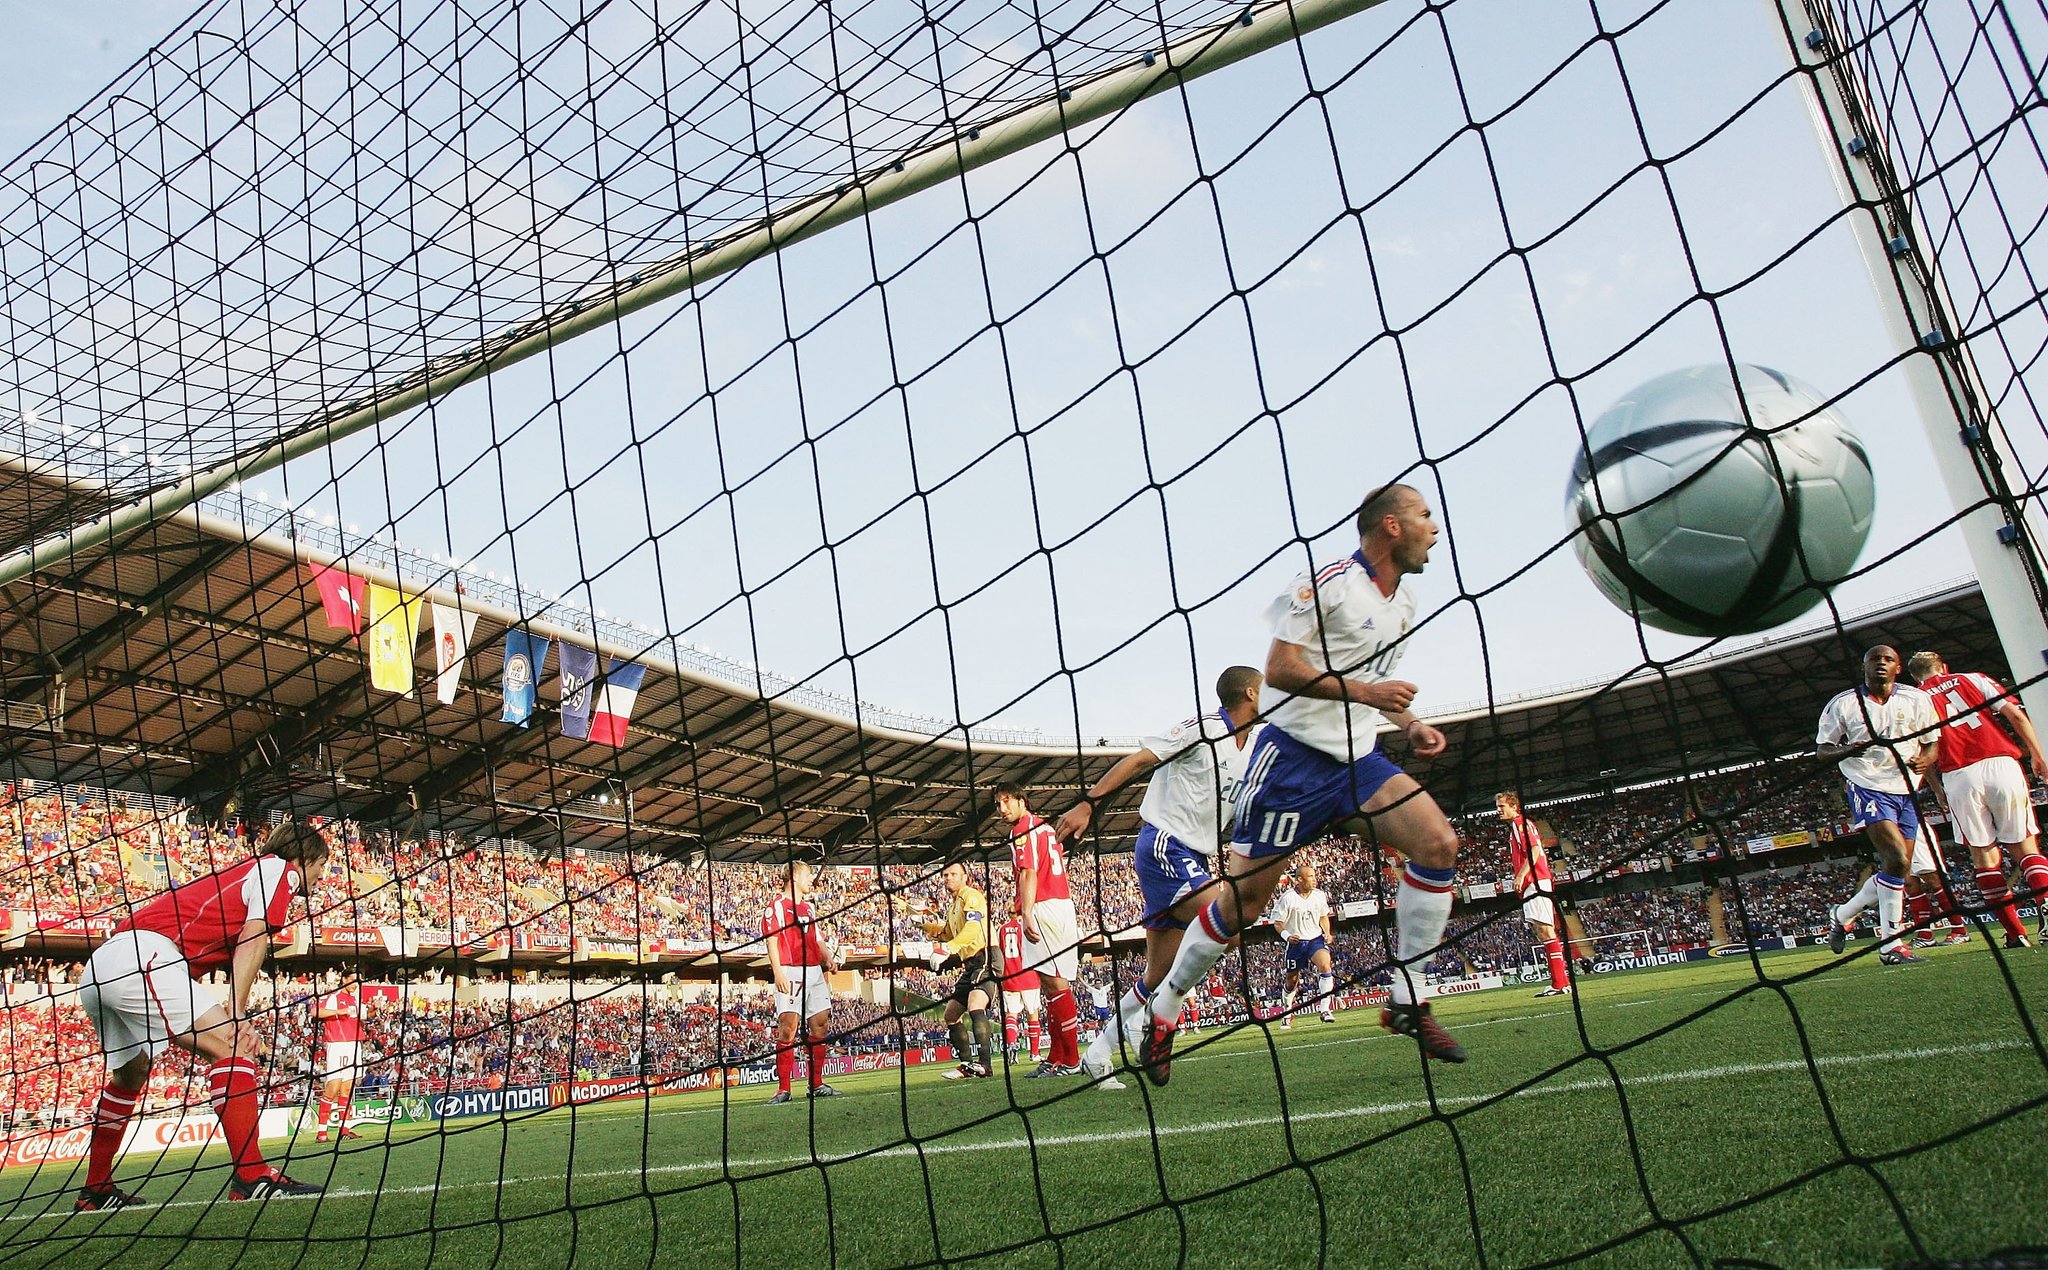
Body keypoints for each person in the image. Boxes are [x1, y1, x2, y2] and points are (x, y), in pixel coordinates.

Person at [1138, 483, 1468, 1084]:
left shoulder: (1406, 603)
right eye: (1424, 514)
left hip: (1358, 762)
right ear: (1391, 526)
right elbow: (1279, 669)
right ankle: (1164, 1009)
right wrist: (1370, 694)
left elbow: (1374, 688)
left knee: (1438, 845)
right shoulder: (1330, 582)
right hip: (1290, 765)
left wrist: (1411, 722)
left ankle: (1408, 1000)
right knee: (1243, 906)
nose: (1434, 527)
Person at [73, 820, 332, 1209]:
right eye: (321, 865)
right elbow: (254, 936)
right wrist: (237, 1013)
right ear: (304, 857)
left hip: (102, 966)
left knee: (130, 1075)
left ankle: (95, 1190)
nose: (321, 875)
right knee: (233, 1046)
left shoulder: (240, 874)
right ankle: (251, 1176)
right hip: (145, 959)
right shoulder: (280, 870)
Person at [1057, 666, 1265, 1087]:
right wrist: (1088, 804)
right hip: (1165, 845)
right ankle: (1159, 1013)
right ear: (1250, 693)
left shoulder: (1257, 742)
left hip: (1195, 856)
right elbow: (1139, 760)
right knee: (1230, 922)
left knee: (1157, 974)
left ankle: (1098, 1054)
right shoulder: (1203, 729)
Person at [1908, 650, 2048, 947]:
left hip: (1959, 775)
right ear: (1944, 667)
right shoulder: (1973, 679)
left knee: (1984, 858)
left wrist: (1937, 789)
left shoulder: (1914, 700)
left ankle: (2015, 934)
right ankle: (2046, 904)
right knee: (2025, 847)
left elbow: (1922, 752)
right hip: (2001, 764)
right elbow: (2015, 715)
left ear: (1913, 676)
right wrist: (2038, 754)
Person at [1816, 645, 1940, 965]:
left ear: (1898, 668)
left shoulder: (1917, 699)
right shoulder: (1843, 704)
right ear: (1864, 667)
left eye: (1888, 660)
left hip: (1907, 789)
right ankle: (1891, 946)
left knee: (1898, 869)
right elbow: (1823, 751)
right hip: (1867, 784)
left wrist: (1926, 760)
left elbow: (1932, 744)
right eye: (1874, 659)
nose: (1881, 664)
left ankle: (1842, 914)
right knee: (1896, 859)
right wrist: (1847, 750)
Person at [995, 783, 1083, 1077]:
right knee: (1050, 985)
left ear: (1022, 801)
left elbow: (1029, 872)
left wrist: (1028, 912)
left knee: (1056, 985)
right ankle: (1056, 1057)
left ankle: (1071, 1061)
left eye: (1007, 801)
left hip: (1044, 906)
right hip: (1060, 904)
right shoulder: (1045, 827)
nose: (1002, 809)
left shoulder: (1023, 829)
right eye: (998, 804)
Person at [763, 857, 840, 1103]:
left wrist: (828, 958)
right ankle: (784, 1089)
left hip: (814, 970)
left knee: (821, 1024)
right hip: (790, 971)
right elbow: (772, 941)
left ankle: (815, 1084)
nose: (811, 880)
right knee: (788, 1028)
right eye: (808, 875)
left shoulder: (809, 908)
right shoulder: (776, 906)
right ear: (795, 877)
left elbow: (817, 938)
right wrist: (778, 972)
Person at [922, 860, 996, 1079]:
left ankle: (985, 1065)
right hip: (970, 963)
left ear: (965, 877)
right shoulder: (953, 906)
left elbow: (973, 928)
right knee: (951, 1015)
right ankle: (966, 1064)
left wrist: (948, 949)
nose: (948, 878)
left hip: (986, 955)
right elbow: (946, 933)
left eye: (953, 874)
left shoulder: (971, 896)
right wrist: (924, 925)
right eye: (945, 875)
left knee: (975, 1005)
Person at [1497, 792, 1572, 997]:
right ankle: (1560, 982)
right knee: (1542, 931)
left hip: (1535, 881)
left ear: (1514, 806)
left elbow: (1535, 851)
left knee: (1546, 931)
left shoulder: (1521, 824)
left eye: (1502, 806)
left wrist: (1521, 875)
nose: (1498, 810)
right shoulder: (1518, 826)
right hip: (1534, 882)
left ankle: (1560, 984)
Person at [1270, 863, 1336, 1026]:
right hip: (1297, 943)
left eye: (1314, 876)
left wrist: (1327, 932)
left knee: (1325, 965)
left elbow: (1323, 916)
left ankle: (1325, 1009)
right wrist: (1287, 936)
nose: (1314, 879)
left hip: (1315, 939)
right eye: (1311, 876)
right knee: (1291, 981)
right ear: (1299, 879)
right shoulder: (1287, 898)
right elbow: (1278, 923)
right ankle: (1287, 1012)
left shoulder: (1319, 895)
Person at [313, 969, 367, 1142]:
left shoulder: (355, 999)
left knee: (347, 1089)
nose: (355, 985)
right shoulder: (334, 997)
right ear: (343, 979)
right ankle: (322, 1132)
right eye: (353, 980)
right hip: (337, 1044)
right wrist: (338, 1011)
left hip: (354, 1044)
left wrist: (373, 1010)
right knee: (333, 1087)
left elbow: (362, 1016)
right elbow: (315, 1012)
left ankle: (345, 1130)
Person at [996, 916, 1042, 1064]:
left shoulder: (1002, 929)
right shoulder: (1030, 926)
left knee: (1011, 1014)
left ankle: (1011, 1046)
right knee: (1032, 1014)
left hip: (1009, 977)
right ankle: (1034, 1053)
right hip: (1029, 977)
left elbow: (998, 953)